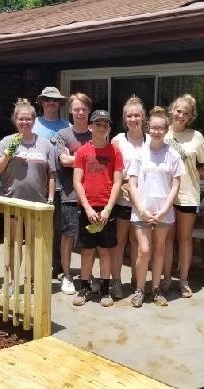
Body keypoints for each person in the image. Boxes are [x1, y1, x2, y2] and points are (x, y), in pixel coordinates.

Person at [0, 98, 56, 295]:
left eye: (28, 119)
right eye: (21, 119)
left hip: (37, 204)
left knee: (35, 246)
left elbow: (51, 174)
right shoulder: (6, 142)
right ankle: (12, 281)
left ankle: (34, 279)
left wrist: (51, 199)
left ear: (34, 120)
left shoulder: (45, 144)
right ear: (15, 120)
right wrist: (9, 154)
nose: (25, 122)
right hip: (12, 201)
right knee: (12, 244)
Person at [128, 106, 184, 307]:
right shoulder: (140, 154)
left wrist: (165, 209)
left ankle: (156, 289)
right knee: (144, 250)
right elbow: (132, 183)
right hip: (142, 210)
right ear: (148, 127)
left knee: (159, 250)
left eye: (161, 128)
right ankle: (140, 289)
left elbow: (176, 185)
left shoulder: (173, 155)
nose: (157, 131)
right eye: (153, 127)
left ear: (166, 129)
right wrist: (141, 209)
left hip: (163, 212)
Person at [72, 110, 123, 307]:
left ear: (109, 128)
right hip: (87, 208)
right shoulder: (83, 151)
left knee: (105, 251)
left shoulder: (115, 152)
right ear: (90, 127)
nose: (101, 128)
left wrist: (108, 209)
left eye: (105, 125)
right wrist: (87, 208)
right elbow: (77, 181)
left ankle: (104, 288)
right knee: (87, 250)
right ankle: (84, 287)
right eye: (98, 124)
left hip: (106, 208)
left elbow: (117, 182)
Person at [162, 94, 204, 298]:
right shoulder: (161, 132)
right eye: (178, 111)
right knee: (166, 238)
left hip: (188, 194)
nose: (181, 115)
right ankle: (164, 277)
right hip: (164, 194)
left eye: (186, 113)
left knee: (185, 238)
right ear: (172, 110)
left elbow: (203, 165)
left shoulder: (196, 136)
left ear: (190, 117)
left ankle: (183, 280)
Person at [53, 93, 93, 294]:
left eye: (83, 109)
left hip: (93, 195)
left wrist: (75, 157)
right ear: (70, 110)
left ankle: (87, 275)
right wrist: (88, 156)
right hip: (69, 193)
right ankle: (67, 275)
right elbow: (64, 161)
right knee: (68, 236)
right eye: (76, 108)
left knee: (89, 237)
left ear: (89, 110)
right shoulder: (62, 135)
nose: (80, 112)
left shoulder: (96, 133)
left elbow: (103, 159)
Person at [110, 96, 148, 299]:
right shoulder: (117, 140)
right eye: (130, 115)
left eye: (137, 115)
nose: (134, 119)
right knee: (119, 241)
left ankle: (136, 280)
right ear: (125, 119)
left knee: (137, 242)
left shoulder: (150, 140)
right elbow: (111, 169)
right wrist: (121, 184)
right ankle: (116, 282)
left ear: (143, 117)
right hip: (122, 200)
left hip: (142, 202)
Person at [33, 86, 70, 280]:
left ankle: (57, 266)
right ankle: (40, 265)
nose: (51, 103)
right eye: (47, 99)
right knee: (38, 230)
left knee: (58, 229)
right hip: (38, 184)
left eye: (54, 100)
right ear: (41, 102)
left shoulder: (67, 127)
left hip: (61, 184)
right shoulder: (33, 124)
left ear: (60, 104)